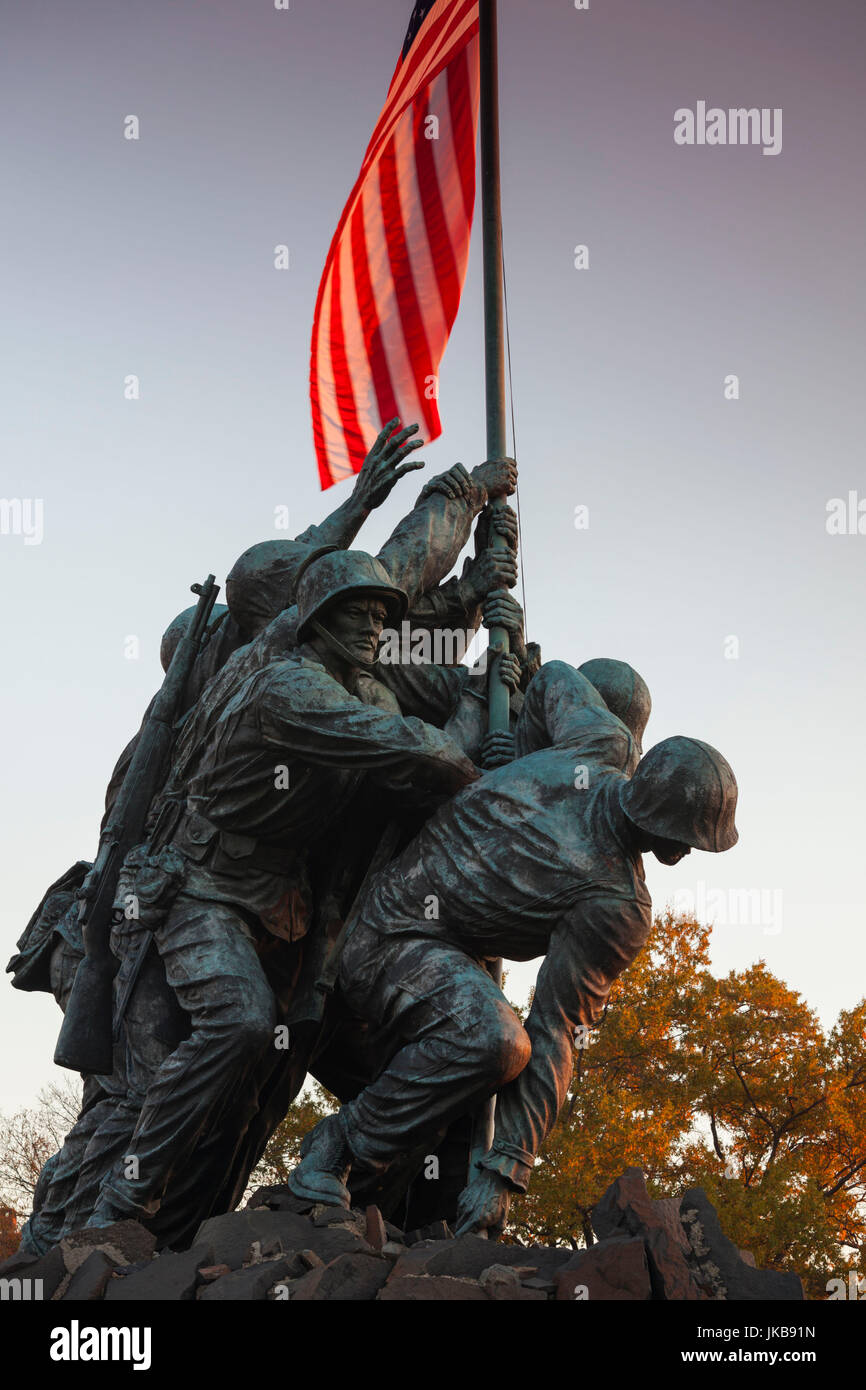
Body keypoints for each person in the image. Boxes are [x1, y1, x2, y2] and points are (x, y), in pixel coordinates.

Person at [85, 528, 521, 1230]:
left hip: (280, 912)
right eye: (361, 614)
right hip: (203, 889)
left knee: (283, 1062)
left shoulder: (363, 688)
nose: (377, 626)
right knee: (240, 1021)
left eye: (384, 616)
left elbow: (406, 764)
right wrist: (487, 777)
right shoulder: (289, 688)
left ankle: (367, 1201)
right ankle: (123, 1201)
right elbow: (399, 744)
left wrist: (488, 707)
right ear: (318, 621)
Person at [287, 661, 738, 1236]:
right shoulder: (614, 907)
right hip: (390, 935)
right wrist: (505, 1173)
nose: (691, 852)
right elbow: (557, 1033)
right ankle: (337, 1145)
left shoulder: (602, 740)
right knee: (495, 1041)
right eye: (691, 839)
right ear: (667, 828)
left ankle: (398, 1198)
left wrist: (523, 753)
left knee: (488, 1047)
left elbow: (552, 676)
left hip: (427, 937)